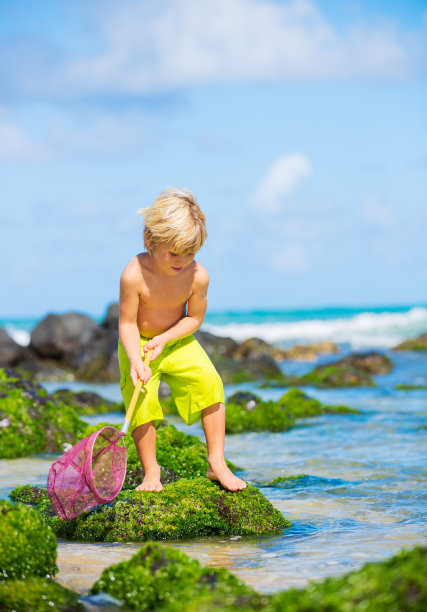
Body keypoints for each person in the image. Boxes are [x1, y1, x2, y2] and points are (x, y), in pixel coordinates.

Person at [118, 187, 246, 493]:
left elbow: (194, 318)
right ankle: (151, 473)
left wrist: (166, 338)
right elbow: (125, 323)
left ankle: (217, 463)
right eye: (174, 253)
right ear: (150, 240)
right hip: (139, 344)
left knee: (210, 383)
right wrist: (136, 360)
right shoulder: (133, 274)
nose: (182, 261)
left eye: (190, 253)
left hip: (175, 339)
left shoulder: (197, 276)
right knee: (142, 402)